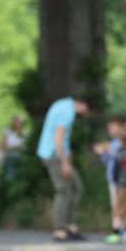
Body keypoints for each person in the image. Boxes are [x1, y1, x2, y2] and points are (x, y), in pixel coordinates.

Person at [36, 96, 90, 242]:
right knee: (64, 190)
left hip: (56, 153)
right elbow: (58, 138)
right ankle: (60, 229)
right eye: (87, 110)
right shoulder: (68, 112)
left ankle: (70, 226)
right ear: (82, 104)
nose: (86, 114)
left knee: (75, 187)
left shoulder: (63, 104)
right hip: (54, 155)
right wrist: (64, 163)